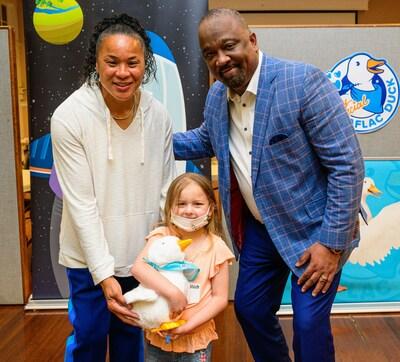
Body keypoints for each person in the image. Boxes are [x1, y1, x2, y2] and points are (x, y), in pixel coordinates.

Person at [173, 8, 365, 362]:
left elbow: (347, 165)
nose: (221, 59)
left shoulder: (303, 83)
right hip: (262, 230)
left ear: (252, 40)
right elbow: (206, 139)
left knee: (308, 325)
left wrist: (330, 244)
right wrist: (149, 138)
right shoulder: (218, 97)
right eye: (209, 53)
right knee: (250, 309)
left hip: (315, 231)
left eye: (228, 46)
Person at [51, 14, 176, 362]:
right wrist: (104, 275)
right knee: (89, 338)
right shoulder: (69, 116)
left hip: (140, 257)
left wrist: (158, 256)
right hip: (87, 259)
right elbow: (81, 205)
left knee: (130, 344)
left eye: (133, 63)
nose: (123, 72)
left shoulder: (159, 115)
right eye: (112, 62)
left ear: (145, 65)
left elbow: (166, 190)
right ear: (96, 62)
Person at [131, 172, 235, 361]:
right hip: (158, 336)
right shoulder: (161, 236)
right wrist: (173, 293)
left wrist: (189, 326)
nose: (189, 210)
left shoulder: (217, 247)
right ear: (170, 207)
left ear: (211, 209)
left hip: (196, 339)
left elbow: (220, 298)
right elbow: (139, 268)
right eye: (181, 204)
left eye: (197, 204)